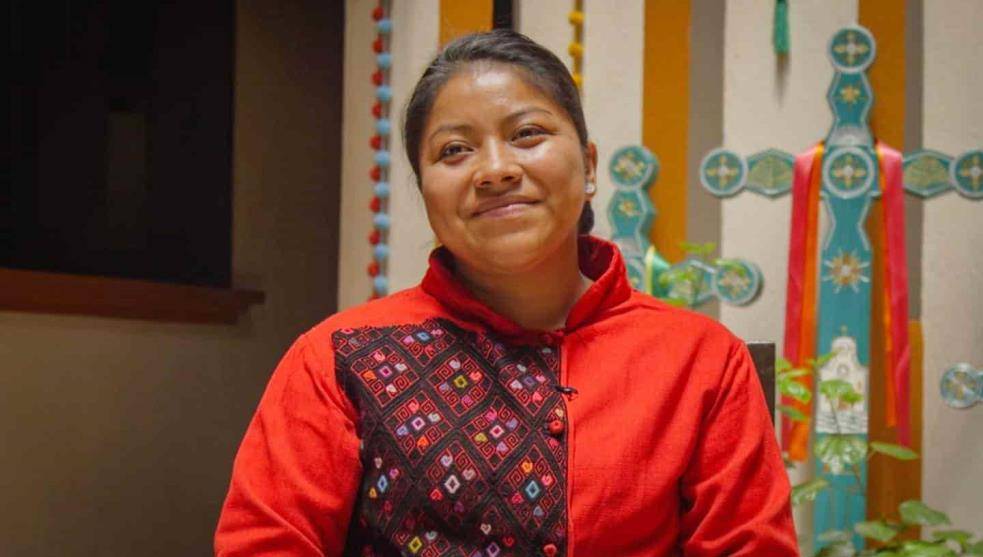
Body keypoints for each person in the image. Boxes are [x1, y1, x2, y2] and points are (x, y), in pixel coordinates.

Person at [215, 30, 798, 557]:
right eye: (454, 150)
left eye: (527, 134)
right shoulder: (340, 358)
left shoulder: (700, 360)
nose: (494, 170)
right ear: (425, 190)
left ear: (589, 166)